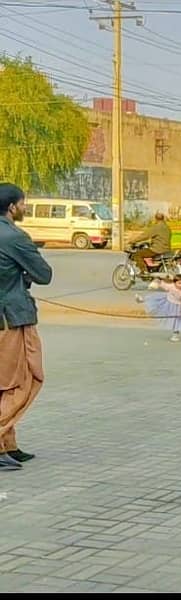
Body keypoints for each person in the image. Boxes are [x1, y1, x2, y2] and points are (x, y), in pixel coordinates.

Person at [0, 182, 53, 471]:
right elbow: (44, 274)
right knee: (24, 379)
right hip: (11, 318)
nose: (24, 207)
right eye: (22, 203)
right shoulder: (14, 236)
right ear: (12, 207)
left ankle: (8, 444)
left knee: (4, 383)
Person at [137, 273, 181, 342]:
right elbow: (165, 286)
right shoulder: (172, 286)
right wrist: (159, 281)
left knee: (176, 322)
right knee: (155, 300)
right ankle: (142, 300)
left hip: (177, 307)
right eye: (179, 283)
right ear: (174, 282)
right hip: (166, 301)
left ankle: (175, 336)